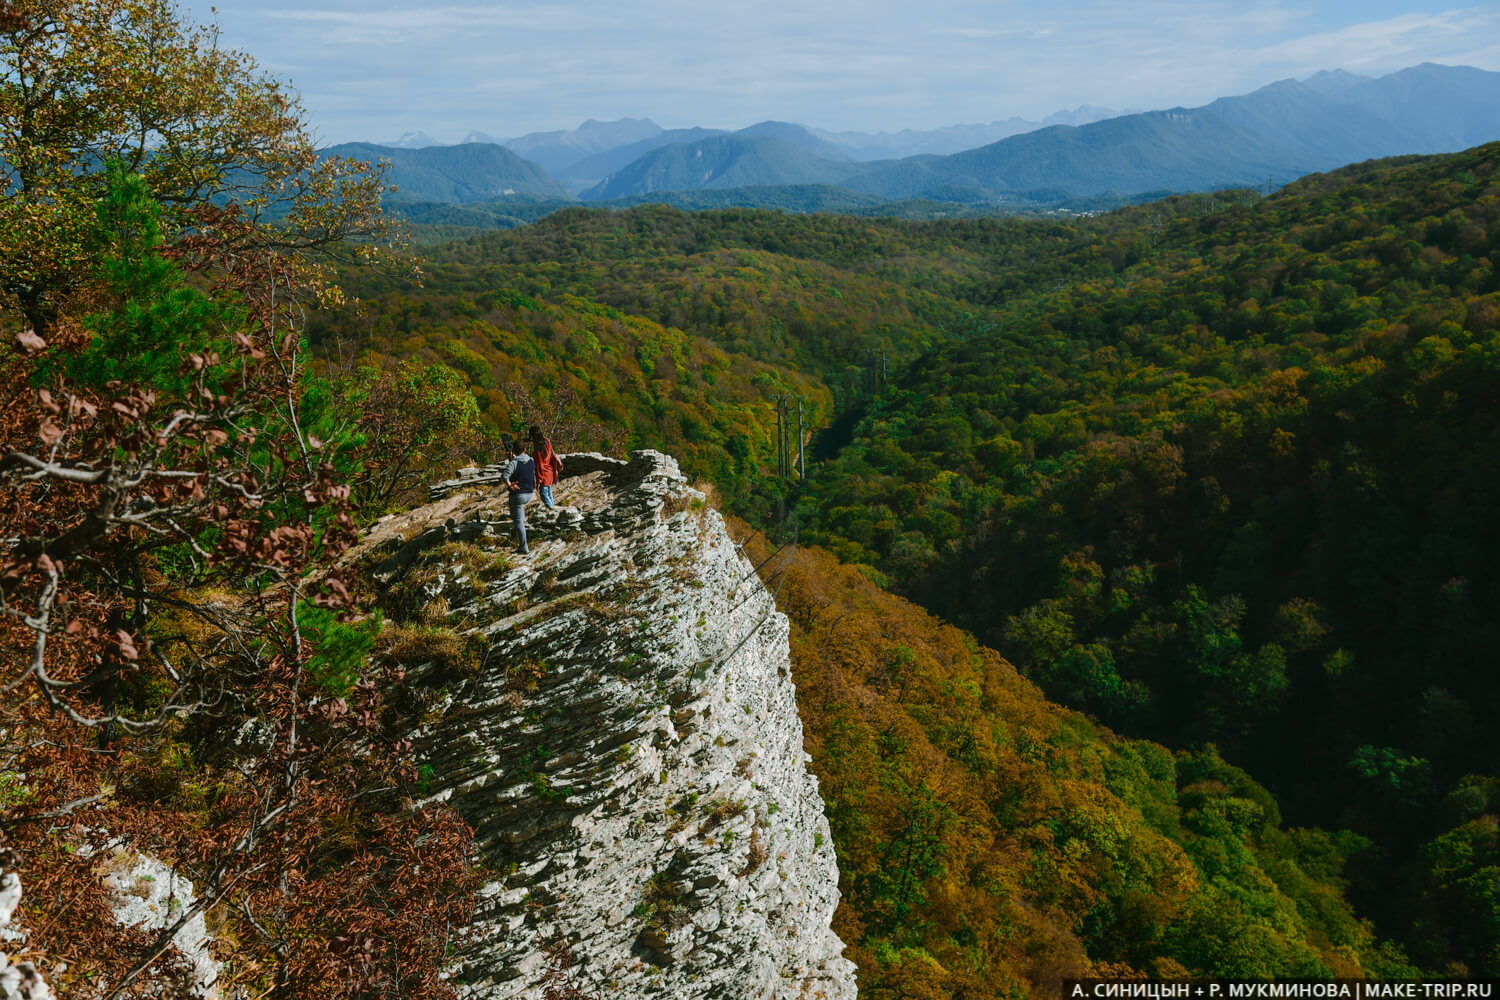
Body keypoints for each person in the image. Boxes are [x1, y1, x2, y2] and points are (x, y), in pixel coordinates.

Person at [502, 436, 536, 554]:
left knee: (518, 522)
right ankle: (524, 543)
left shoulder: (514, 463)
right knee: (520, 518)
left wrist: (510, 484)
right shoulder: (531, 461)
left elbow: (504, 476)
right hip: (529, 493)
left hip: (518, 495)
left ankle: (523, 547)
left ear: (514, 451)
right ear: (525, 450)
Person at [529, 424, 564, 510]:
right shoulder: (547, 441)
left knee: (544, 495)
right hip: (550, 471)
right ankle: (554, 510)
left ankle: (552, 510)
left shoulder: (538, 449)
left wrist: (539, 480)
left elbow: (539, 465)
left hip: (543, 474)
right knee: (549, 493)